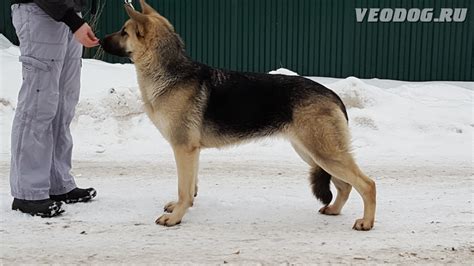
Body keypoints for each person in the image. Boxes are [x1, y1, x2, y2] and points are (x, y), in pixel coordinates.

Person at [10, 0, 99, 217]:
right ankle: (27, 192)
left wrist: (74, 18)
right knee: (38, 104)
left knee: (63, 105)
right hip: (40, 11)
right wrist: (74, 21)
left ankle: (57, 184)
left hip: (69, 15)